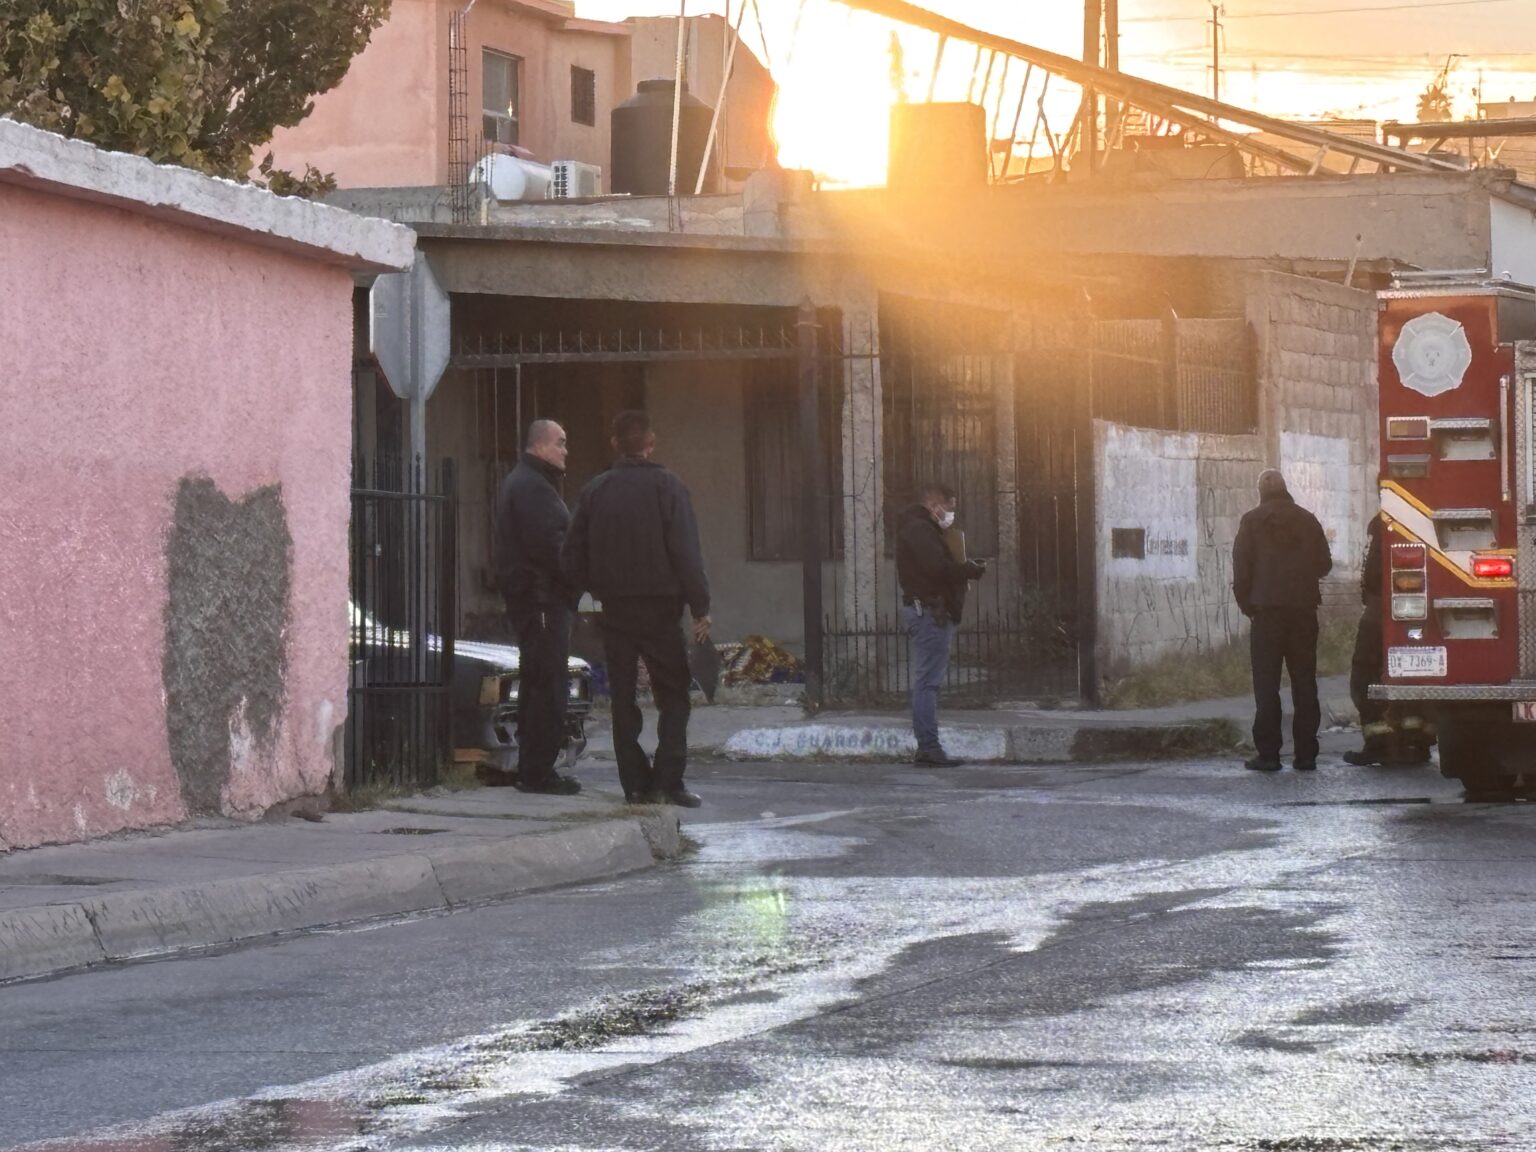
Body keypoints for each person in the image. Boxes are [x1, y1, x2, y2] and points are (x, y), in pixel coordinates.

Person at [563, 410, 710, 808]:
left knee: (623, 698)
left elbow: (572, 555)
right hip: (662, 609)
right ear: (651, 442)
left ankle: (634, 784)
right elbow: (686, 553)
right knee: (674, 695)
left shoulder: (595, 491)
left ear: (615, 443)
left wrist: (591, 593)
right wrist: (700, 606)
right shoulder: (669, 487)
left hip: (617, 610)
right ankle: (667, 780)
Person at [492, 419, 581, 795]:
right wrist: (577, 580)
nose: (565, 450)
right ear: (540, 446)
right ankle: (537, 771)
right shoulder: (532, 487)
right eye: (560, 442)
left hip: (538, 597)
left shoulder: (530, 483)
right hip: (541, 599)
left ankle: (534, 767)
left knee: (539, 681)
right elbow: (552, 547)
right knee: (547, 684)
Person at [1232, 469, 1333, 772]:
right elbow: (1325, 564)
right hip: (1303, 612)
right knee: (1304, 683)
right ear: (1286, 490)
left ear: (1261, 492)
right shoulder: (1308, 519)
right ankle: (1305, 755)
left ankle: (1269, 755)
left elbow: (1241, 573)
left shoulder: (1251, 522)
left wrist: (1249, 607)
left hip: (1266, 614)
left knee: (1266, 686)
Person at [895, 483, 987, 767]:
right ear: (935, 505)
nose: (950, 514)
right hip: (929, 613)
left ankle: (928, 747)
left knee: (928, 681)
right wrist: (969, 570)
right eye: (949, 507)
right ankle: (929, 748)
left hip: (931, 610)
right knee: (927, 683)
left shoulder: (922, 529)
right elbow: (937, 569)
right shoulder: (920, 530)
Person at [1344, 515, 1434, 767]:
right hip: (1420, 617)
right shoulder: (1424, 519)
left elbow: (1372, 574)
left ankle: (1379, 743)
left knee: (1365, 677)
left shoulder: (1381, 524)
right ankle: (1416, 742)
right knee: (1414, 673)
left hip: (1379, 613)